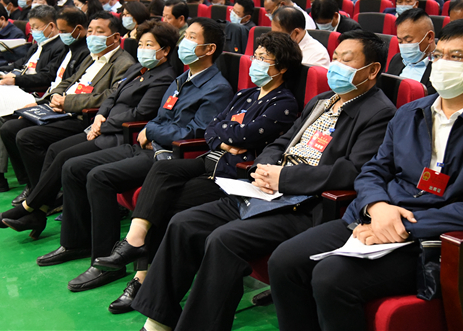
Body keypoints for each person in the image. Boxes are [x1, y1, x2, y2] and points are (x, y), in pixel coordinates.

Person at [268, 19, 463, 331]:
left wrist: (402, 225)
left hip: (432, 236)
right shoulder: (411, 112)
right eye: (438, 55)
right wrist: (377, 207)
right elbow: (373, 170)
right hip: (376, 215)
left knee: (331, 277)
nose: (443, 63)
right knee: (284, 261)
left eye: (457, 57)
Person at [131, 30, 397, 331]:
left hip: (304, 204)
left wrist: (284, 178)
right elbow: (283, 141)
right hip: (267, 189)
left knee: (223, 240)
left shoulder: (379, 113)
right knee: (183, 223)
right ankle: (158, 320)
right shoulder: (323, 100)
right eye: (334, 58)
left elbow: (352, 171)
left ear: (372, 70)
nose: (335, 66)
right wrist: (263, 167)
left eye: (346, 61)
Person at [87, 31, 301, 313]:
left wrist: (227, 134)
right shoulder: (245, 94)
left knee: (164, 205)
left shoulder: (283, 103)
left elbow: (246, 135)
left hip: (231, 174)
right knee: (163, 170)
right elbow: (212, 129)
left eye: (264, 58)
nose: (255, 62)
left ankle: (142, 279)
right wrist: (226, 138)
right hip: (210, 159)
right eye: (256, 56)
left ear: (281, 68)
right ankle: (133, 241)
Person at [35, 18, 234, 293]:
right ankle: (75, 242)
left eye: (191, 37)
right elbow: (161, 117)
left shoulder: (217, 88)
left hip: (167, 156)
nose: (184, 43)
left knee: (99, 177)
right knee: (73, 167)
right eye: (185, 36)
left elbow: (195, 132)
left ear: (209, 48)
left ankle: (106, 262)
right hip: (145, 145)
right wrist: (153, 129)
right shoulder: (182, 78)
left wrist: (152, 131)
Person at [0, 20, 178, 236]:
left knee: (65, 157)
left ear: (165, 50)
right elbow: (112, 96)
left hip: (120, 135)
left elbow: (140, 114)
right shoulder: (137, 69)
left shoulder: (164, 77)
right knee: (55, 150)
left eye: (149, 45)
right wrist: (100, 116)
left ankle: (29, 208)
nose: (142, 49)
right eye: (141, 44)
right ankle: (37, 212)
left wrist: (102, 125)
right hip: (101, 125)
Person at [0, 11, 135, 202]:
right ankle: (33, 185)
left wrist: (67, 102)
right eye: (90, 31)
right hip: (60, 108)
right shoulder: (91, 56)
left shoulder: (124, 63)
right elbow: (69, 81)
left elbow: (109, 96)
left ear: (115, 37)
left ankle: (43, 195)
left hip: (81, 116)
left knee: (26, 137)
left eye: (100, 32)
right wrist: (52, 97)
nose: (92, 36)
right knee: (9, 128)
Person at [0, 6, 67, 190]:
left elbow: (47, 77)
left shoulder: (59, 47)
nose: (33, 31)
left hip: (34, 94)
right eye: (31, 27)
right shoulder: (38, 45)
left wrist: (16, 79)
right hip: (19, 89)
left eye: (36, 27)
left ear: (51, 26)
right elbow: (19, 65)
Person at [387, 8, 436, 94]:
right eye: (400, 41)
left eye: (409, 41)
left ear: (429, 37)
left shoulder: (442, 67)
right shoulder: (397, 59)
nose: (404, 46)